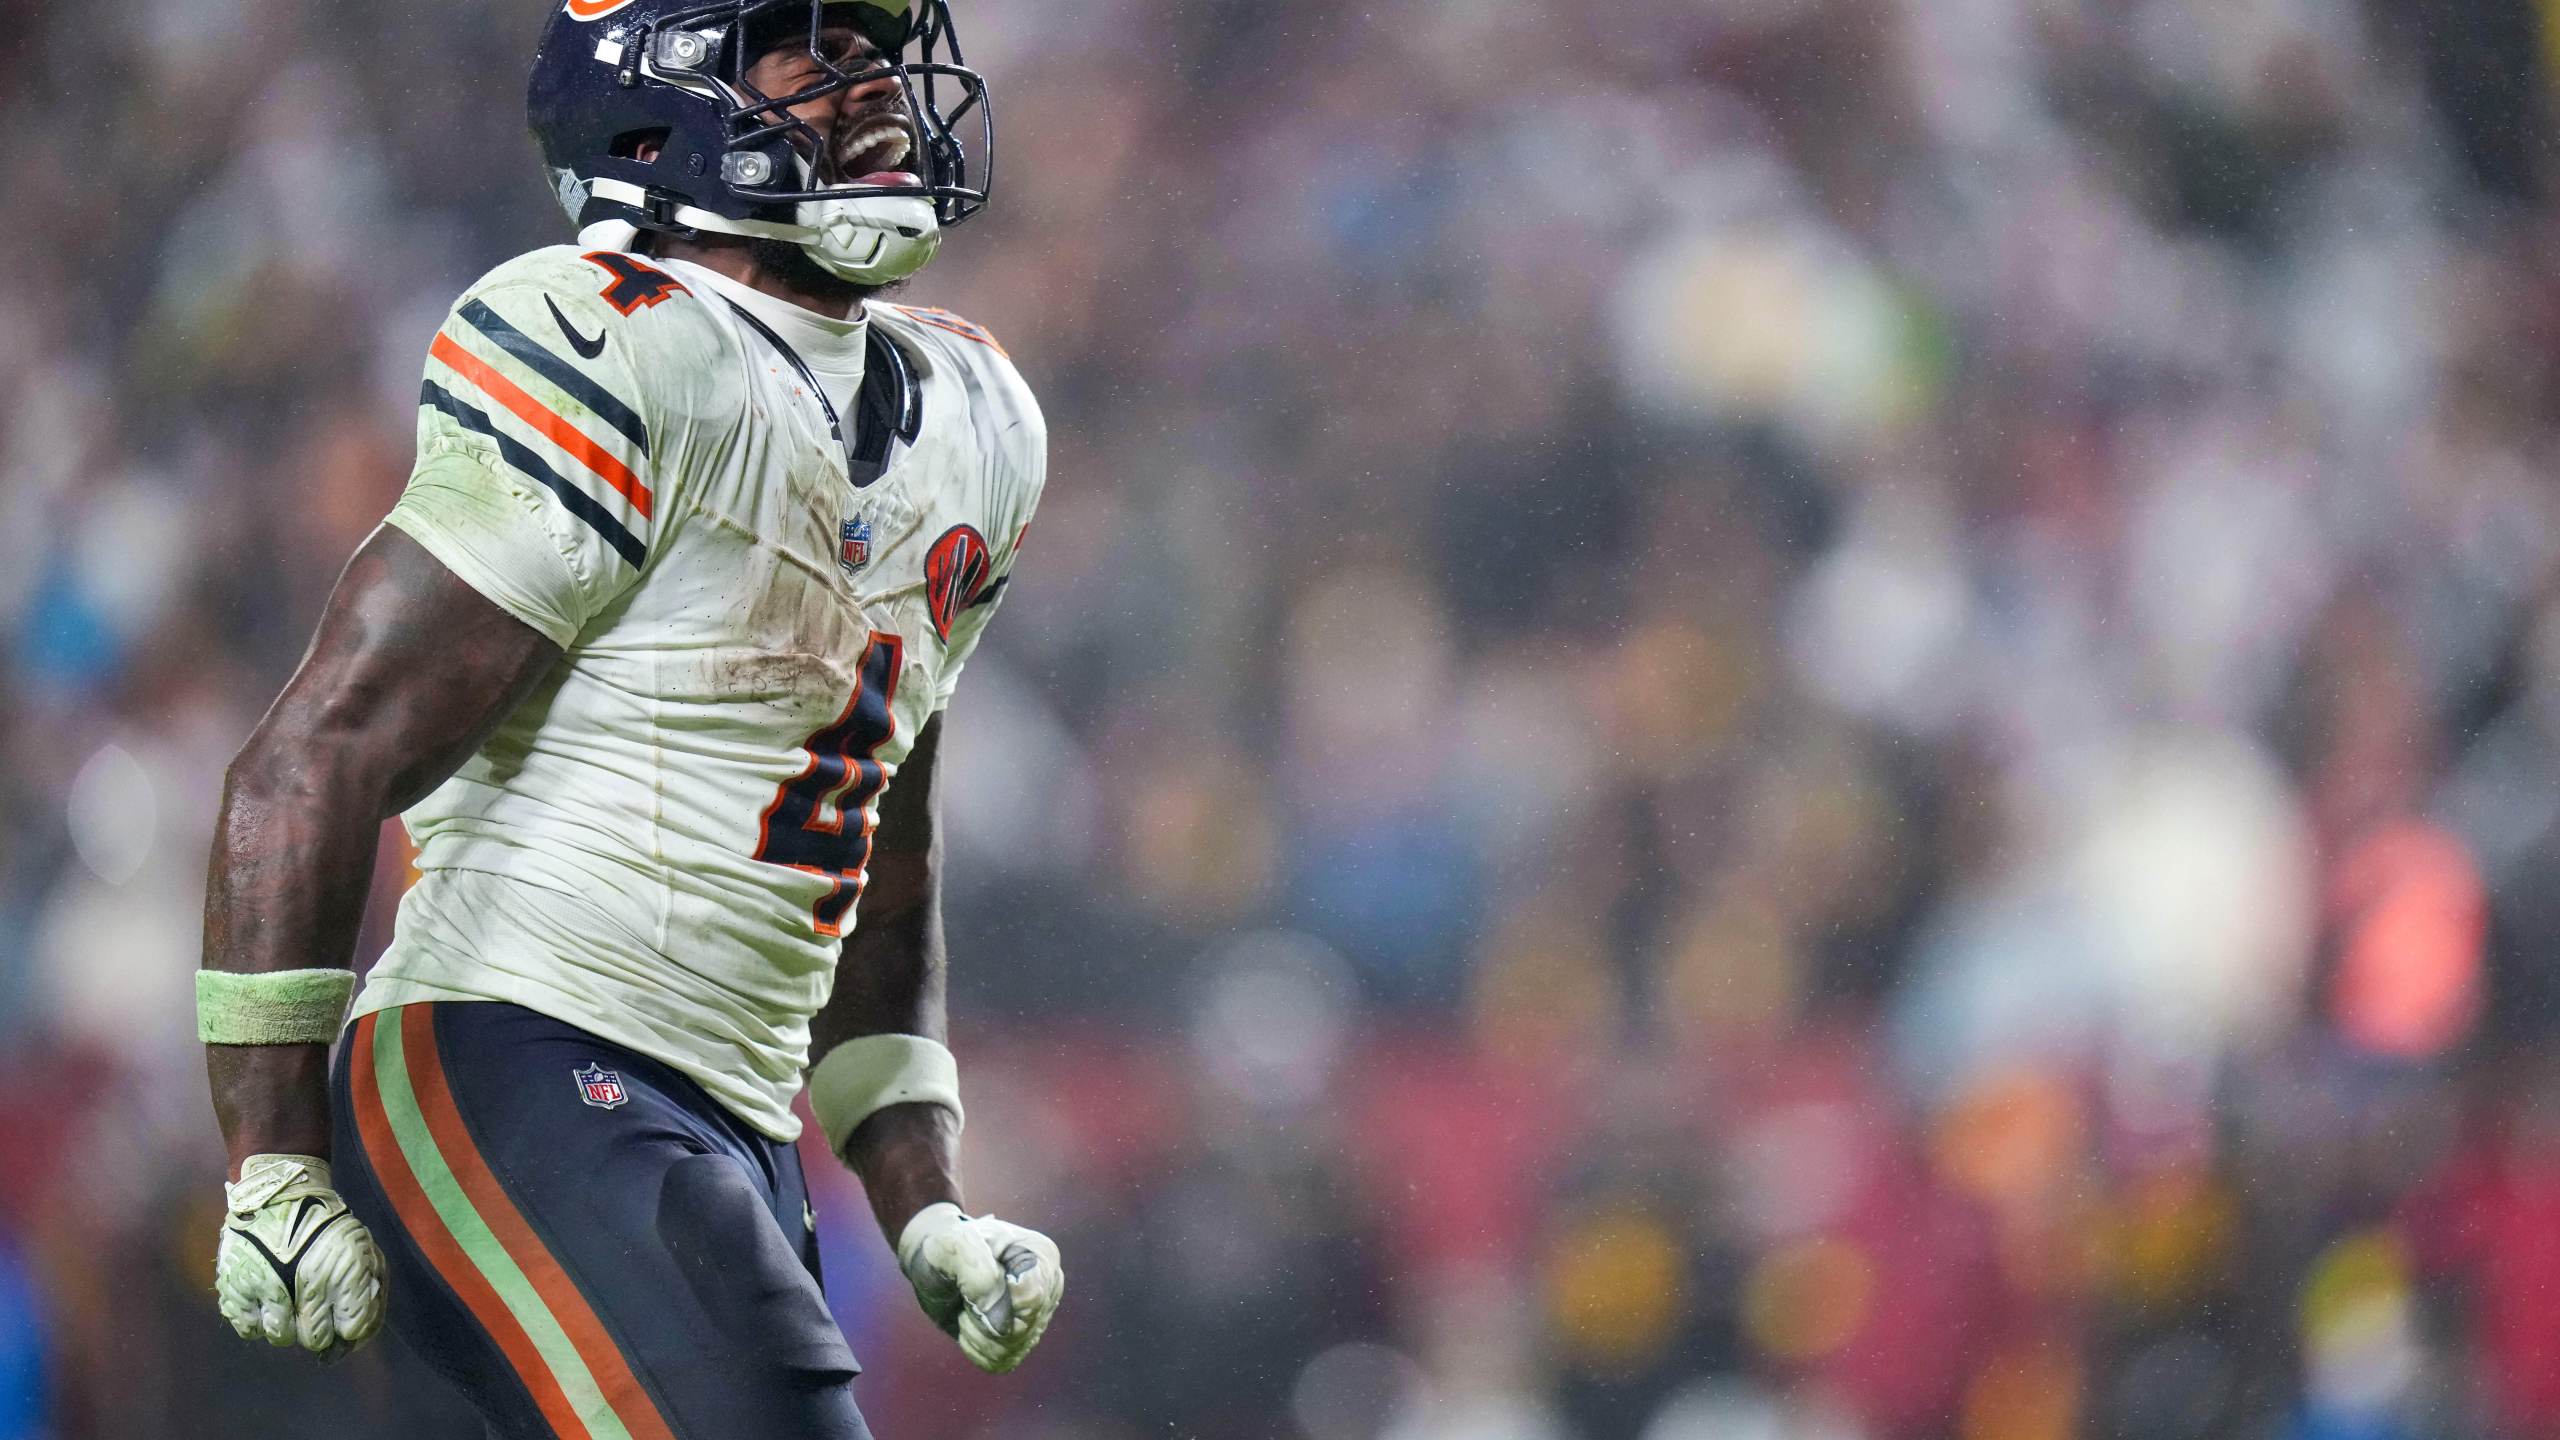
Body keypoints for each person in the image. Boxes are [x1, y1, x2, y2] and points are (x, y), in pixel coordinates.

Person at [193, 0, 1060, 1432]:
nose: (877, 85)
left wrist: (922, 1203)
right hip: (515, 1060)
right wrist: (272, 1165)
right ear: (659, 111)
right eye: (813, 47)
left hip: (730, 1128)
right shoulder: (618, 341)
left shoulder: (975, 412)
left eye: (878, 50)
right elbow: (313, 755)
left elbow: (872, 844)